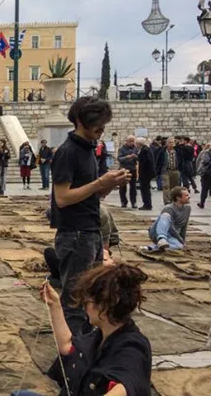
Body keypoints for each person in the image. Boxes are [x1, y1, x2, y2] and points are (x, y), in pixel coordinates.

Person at [50, 96, 130, 335]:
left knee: (91, 295)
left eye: (103, 123)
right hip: (75, 235)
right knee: (75, 300)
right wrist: (99, 183)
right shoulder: (68, 152)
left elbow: (92, 195)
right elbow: (62, 198)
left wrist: (110, 184)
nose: (101, 128)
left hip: (90, 231)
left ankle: (85, 345)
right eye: (97, 123)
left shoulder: (87, 150)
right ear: (79, 121)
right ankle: (73, 355)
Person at [26, 264, 152, 396]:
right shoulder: (100, 335)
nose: (84, 306)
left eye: (87, 301)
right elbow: (68, 347)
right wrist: (55, 306)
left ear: (106, 304)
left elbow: (126, 385)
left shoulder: (133, 347)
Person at [143, 186, 191, 251]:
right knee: (165, 215)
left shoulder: (187, 208)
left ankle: (151, 248)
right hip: (157, 232)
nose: (189, 196)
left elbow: (184, 226)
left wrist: (182, 241)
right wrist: (180, 239)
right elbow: (171, 228)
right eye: (186, 195)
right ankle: (161, 239)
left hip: (171, 236)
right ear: (178, 198)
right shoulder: (168, 208)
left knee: (179, 246)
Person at [117, 135, 139, 209]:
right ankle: (123, 202)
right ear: (126, 141)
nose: (131, 143)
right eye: (130, 141)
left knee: (133, 187)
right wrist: (127, 157)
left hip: (133, 169)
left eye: (133, 141)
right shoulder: (121, 149)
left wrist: (136, 157)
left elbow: (138, 158)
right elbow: (119, 159)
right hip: (124, 170)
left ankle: (134, 202)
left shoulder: (136, 148)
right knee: (122, 187)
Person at [159, 137, 182, 205]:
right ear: (166, 143)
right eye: (169, 142)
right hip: (165, 170)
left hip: (175, 170)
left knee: (174, 186)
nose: (171, 144)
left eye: (172, 142)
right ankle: (167, 201)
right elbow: (158, 160)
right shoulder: (162, 151)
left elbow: (181, 160)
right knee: (166, 186)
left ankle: (172, 199)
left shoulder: (177, 151)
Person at [136, 137, 156, 210]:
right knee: (145, 189)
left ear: (139, 144)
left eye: (136, 144)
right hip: (147, 173)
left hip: (145, 173)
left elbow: (146, 161)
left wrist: (138, 159)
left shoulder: (144, 150)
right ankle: (147, 203)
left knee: (145, 189)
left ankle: (147, 204)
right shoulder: (146, 149)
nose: (136, 145)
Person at [198, 143, 211, 209]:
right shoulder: (206, 153)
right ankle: (202, 203)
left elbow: (205, 161)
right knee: (204, 189)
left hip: (207, 173)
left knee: (204, 189)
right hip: (207, 173)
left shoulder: (206, 153)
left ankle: (202, 203)